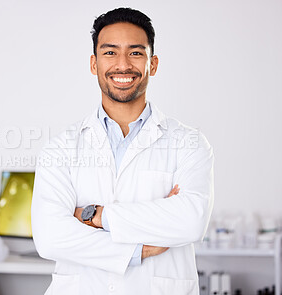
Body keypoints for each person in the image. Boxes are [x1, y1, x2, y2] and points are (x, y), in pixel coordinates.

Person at [31, 7, 214, 295]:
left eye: (136, 53)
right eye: (110, 52)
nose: (123, 65)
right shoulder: (61, 148)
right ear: (94, 64)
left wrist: (97, 217)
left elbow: (191, 222)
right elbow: (50, 237)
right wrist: (137, 251)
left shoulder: (189, 143)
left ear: (152, 64)